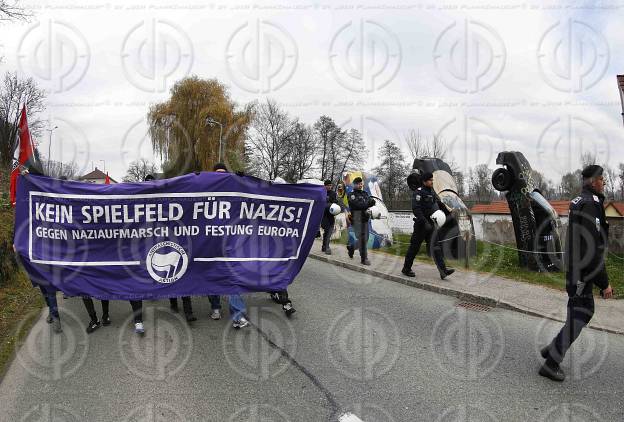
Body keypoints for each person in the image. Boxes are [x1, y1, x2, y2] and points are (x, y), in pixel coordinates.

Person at [539, 165, 614, 382]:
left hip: (575, 269)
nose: (604, 183)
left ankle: (552, 348)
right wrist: (605, 283)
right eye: (602, 179)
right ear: (593, 181)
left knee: (575, 313)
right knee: (583, 313)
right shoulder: (590, 204)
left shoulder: (579, 201)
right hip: (583, 273)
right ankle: (552, 362)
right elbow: (592, 249)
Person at [210, 162, 250, 328]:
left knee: (234, 279)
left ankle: (238, 315)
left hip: (232, 244)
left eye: (223, 173)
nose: (220, 176)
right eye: (217, 173)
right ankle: (215, 307)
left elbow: (252, 196)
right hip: (210, 244)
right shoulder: (207, 190)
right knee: (212, 278)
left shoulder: (235, 191)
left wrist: (243, 180)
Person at [401, 172, 455, 280]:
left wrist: (448, 212)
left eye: (432, 180)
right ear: (424, 181)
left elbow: (438, 205)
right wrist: (425, 222)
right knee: (414, 248)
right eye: (430, 180)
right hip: (421, 225)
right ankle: (406, 269)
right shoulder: (418, 193)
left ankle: (443, 271)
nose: (432, 181)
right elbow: (416, 209)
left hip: (432, 224)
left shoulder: (432, 192)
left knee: (436, 248)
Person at [347, 177, 375, 265]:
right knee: (362, 239)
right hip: (356, 219)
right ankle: (364, 258)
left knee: (365, 238)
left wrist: (372, 201)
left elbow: (369, 201)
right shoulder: (351, 195)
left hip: (365, 218)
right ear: (354, 184)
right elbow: (357, 206)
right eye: (358, 184)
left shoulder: (365, 193)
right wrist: (368, 203)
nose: (360, 185)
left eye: (361, 183)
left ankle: (351, 248)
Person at [321, 180, 340, 255]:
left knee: (329, 231)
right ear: (324, 186)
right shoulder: (321, 192)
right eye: (328, 185)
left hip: (331, 215)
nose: (329, 187)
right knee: (327, 230)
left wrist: (333, 201)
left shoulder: (333, 193)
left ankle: (326, 246)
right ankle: (325, 246)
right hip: (324, 215)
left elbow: (335, 201)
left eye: (330, 185)